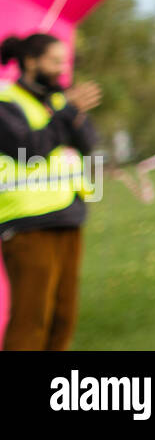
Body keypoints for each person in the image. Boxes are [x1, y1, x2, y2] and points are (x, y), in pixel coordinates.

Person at [0, 33, 99, 351]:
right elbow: (30, 148)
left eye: (65, 62)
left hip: (68, 216)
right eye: (55, 61)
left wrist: (76, 111)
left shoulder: (60, 101)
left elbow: (88, 144)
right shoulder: (5, 102)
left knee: (62, 318)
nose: (62, 69)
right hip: (27, 224)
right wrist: (69, 112)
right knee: (31, 321)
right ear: (31, 62)